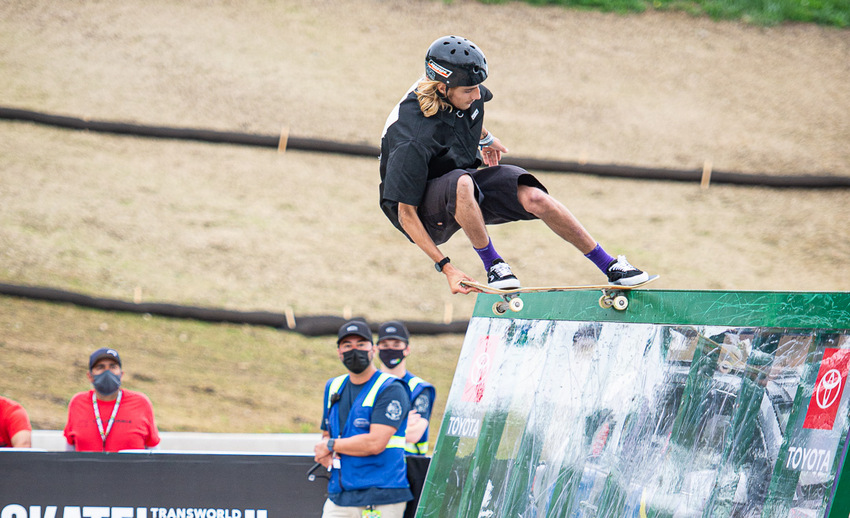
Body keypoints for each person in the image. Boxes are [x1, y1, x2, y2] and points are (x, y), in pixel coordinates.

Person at [379, 35, 650, 294]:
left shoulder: (454, 90)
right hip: (422, 213)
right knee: (461, 183)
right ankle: (494, 266)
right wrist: (447, 267)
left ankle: (610, 265)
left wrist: (486, 138)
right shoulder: (411, 139)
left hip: (459, 183)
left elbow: (460, 112)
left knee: (532, 194)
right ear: (442, 88)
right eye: (469, 90)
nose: (477, 95)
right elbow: (406, 215)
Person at [314, 320, 412, 518]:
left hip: (382, 495)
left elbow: (375, 443)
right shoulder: (333, 386)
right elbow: (327, 433)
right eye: (347, 345)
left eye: (361, 344)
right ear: (339, 352)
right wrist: (325, 447)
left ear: (373, 349)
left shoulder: (391, 388)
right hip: (340, 494)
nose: (354, 350)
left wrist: (331, 445)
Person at [64, 347, 161, 452]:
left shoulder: (141, 403)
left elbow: (154, 451)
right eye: (100, 367)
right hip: (88, 468)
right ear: (90, 376)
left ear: (121, 374)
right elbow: (69, 452)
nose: (107, 372)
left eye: (113, 367)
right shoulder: (78, 403)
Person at [376, 321, 436, 456]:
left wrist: (375, 428)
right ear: (376, 349)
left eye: (396, 345)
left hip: (409, 467)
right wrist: (402, 422)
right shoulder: (369, 384)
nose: (390, 349)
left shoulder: (419, 388)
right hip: (373, 464)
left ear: (407, 349)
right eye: (385, 345)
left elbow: (414, 434)